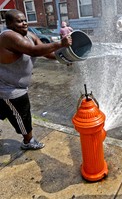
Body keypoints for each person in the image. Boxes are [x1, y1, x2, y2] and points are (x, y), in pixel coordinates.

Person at [0, 9, 72, 150]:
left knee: (7, 111)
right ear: (9, 23)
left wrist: (64, 58)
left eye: (25, 20)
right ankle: (28, 142)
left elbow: (44, 51)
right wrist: (60, 44)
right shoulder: (8, 36)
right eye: (19, 21)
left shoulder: (29, 36)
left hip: (16, 87)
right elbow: (33, 51)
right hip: (8, 89)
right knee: (22, 116)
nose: (24, 23)